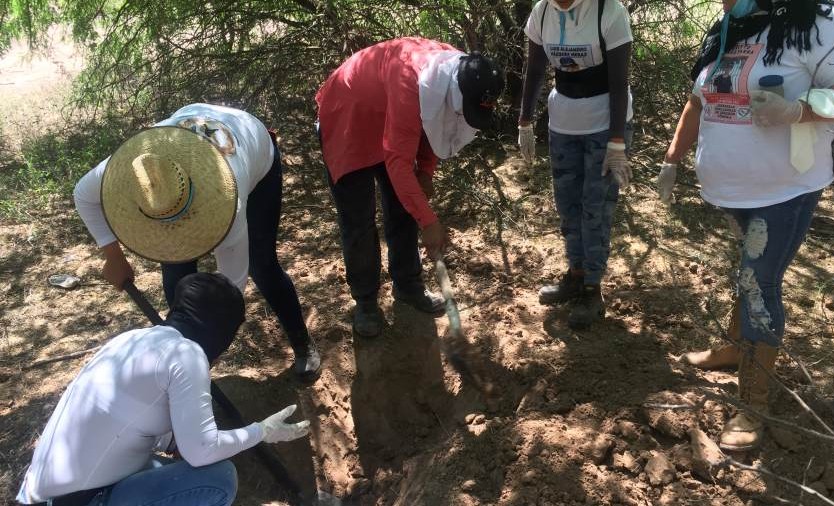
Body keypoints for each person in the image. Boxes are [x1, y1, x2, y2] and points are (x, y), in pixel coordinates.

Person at [658, 0, 834, 450]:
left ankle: (753, 402)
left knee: (759, 281)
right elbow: (697, 103)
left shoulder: (816, 20)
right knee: (748, 271)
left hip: (785, 188)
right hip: (732, 191)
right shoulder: (732, 27)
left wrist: (800, 110)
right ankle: (739, 346)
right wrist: (672, 160)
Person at [16, 273, 311, 505]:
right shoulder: (187, 354)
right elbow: (202, 451)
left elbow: (130, 420)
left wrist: (174, 441)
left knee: (167, 470)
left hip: (47, 495)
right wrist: (263, 431)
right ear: (221, 332)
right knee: (217, 478)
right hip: (82, 500)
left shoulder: (132, 341)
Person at [73, 104, 320, 378]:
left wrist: (205, 353)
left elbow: (230, 292)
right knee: (176, 281)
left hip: (254, 154)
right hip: (191, 141)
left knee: (262, 265)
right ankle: (179, 349)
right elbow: (83, 195)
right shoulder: (133, 170)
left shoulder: (229, 205)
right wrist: (114, 257)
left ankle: (302, 343)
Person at [316, 37, 504, 337]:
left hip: (391, 119)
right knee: (358, 220)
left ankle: (408, 285)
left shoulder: (460, 68)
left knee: (404, 207)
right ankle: (366, 301)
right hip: (350, 119)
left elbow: (435, 122)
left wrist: (426, 172)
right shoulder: (413, 78)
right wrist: (429, 222)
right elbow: (398, 161)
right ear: (457, 90)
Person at [517, 0, 635, 330]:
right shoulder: (542, 12)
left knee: (595, 206)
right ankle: (576, 273)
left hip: (604, 124)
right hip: (564, 123)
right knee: (568, 204)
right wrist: (525, 120)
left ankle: (591, 289)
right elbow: (536, 67)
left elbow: (619, 80)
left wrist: (616, 141)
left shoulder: (608, 11)